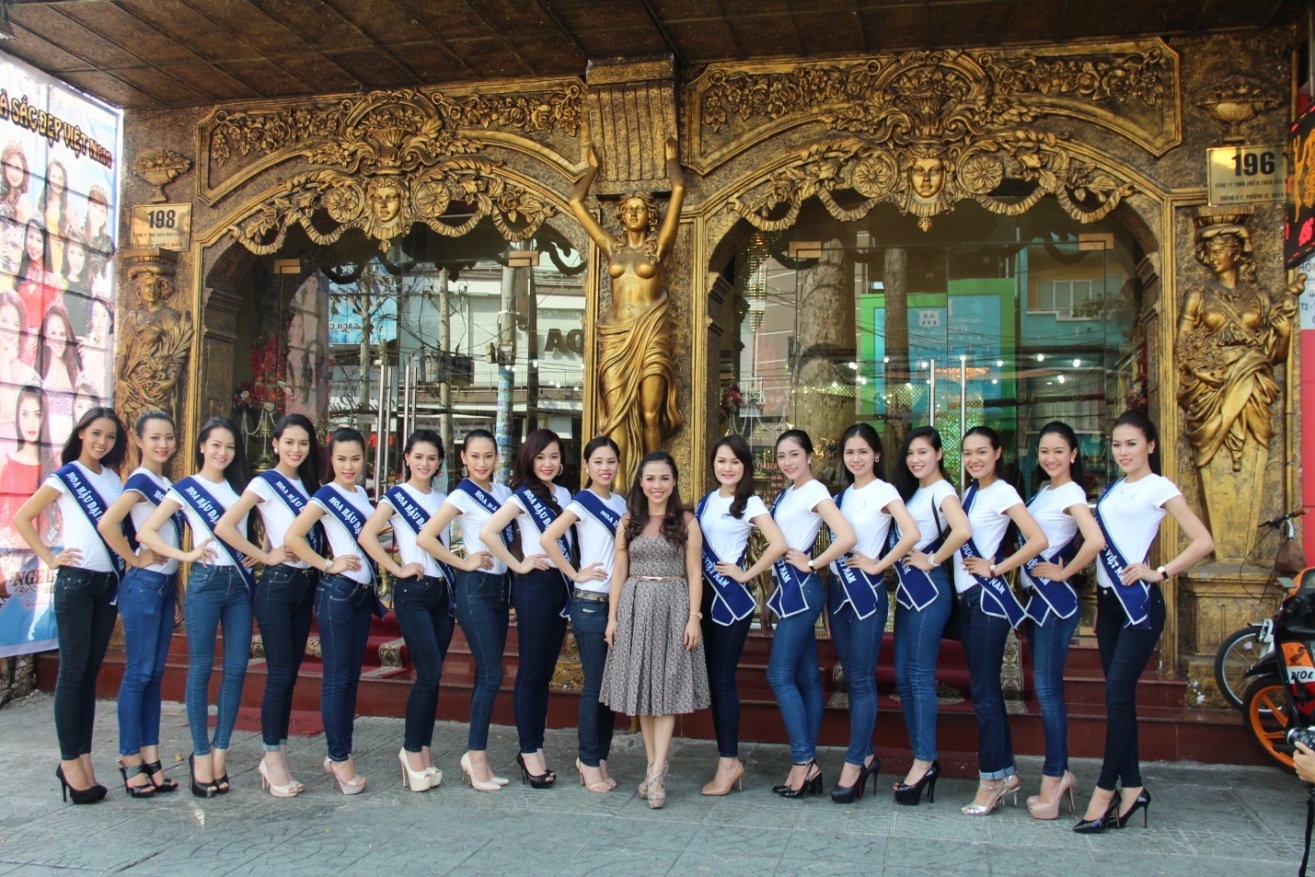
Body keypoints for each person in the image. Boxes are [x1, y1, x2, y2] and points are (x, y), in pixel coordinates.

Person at [1074, 411, 1214, 833]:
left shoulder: (1159, 487)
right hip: (1110, 607)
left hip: (1140, 606)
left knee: (1116, 694)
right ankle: (1133, 788)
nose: (1123, 452)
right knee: (1119, 700)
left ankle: (1104, 791)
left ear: (1150, 445)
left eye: (1131, 444)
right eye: (1117, 444)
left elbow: (1203, 541)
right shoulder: (1113, 488)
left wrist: (1161, 572)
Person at [12, 406, 128, 804]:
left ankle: (84, 759)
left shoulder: (112, 478)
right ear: (81, 433)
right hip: (76, 583)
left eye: (110, 437)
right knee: (73, 672)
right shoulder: (66, 477)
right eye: (96, 434)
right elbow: (24, 517)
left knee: (89, 674)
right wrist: (50, 557)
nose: (102, 442)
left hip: (106, 584)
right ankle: (69, 762)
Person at [136, 416, 254, 799]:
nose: (223, 453)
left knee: (236, 668)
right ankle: (200, 754)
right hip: (205, 581)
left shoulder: (242, 488)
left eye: (230, 447)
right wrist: (184, 555)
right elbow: (146, 531)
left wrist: (260, 553)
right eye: (216, 445)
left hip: (239, 585)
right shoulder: (186, 488)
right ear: (202, 446)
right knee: (201, 668)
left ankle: (221, 752)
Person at [214, 413, 322, 799]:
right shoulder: (264, 482)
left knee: (290, 674)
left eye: (303, 443)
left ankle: (278, 752)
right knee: (278, 675)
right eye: (289, 442)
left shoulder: (309, 485)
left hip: (305, 586)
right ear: (275, 443)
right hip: (277, 587)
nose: (296, 449)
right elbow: (225, 526)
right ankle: (271, 757)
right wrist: (264, 556)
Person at [566, 139, 684, 478]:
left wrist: (672, 160)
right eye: (628, 208)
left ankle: (657, 480)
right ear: (621, 215)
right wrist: (592, 169)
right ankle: (617, 487)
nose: (633, 213)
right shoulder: (612, 247)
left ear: (651, 215)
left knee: (650, 415)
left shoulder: (658, 249)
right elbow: (575, 202)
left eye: (640, 208)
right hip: (616, 338)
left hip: (650, 337)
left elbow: (678, 189)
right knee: (616, 415)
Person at [600, 451, 710, 809]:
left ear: (674, 481)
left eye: (664, 478)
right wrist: (613, 617)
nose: (657, 485)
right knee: (643, 692)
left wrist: (694, 617)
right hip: (634, 607)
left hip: (673, 606)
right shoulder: (628, 521)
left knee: (666, 689)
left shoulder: (687, 522)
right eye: (650, 479)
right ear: (641, 483)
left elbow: (695, 573)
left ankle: (659, 771)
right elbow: (619, 572)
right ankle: (652, 767)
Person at [954, 426, 1048, 816]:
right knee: (986, 690)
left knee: (984, 693)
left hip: (987, 602)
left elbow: (1037, 539)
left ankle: (991, 781)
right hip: (968, 602)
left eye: (982, 452)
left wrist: (996, 568)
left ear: (997, 453)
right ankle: (1006, 774)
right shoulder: (970, 493)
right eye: (967, 453)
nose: (974, 459)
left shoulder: (1004, 492)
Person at [828, 423, 920, 803]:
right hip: (837, 593)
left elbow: (911, 533)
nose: (856, 458)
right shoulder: (841, 496)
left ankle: (854, 763)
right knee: (851, 678)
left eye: (863, 452)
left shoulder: (885, 491)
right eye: (850, 452)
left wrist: (879, 564)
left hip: (866, 594)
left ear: (877, 455)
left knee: (863, 680)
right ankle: (866, 755)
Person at [1019, 421, 1106, 819]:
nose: (1050, 458)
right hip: (1037, 602)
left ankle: (1055, 777)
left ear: (1073, 454)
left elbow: (1095, 540)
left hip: (1053, 604)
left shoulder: (1071, 492)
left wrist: (1065, 571)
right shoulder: (1045, 490)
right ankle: (1059, 773)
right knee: (1046, 689)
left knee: (1048, 690)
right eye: (1044, 451)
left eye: (1058, 451)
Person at [283, 427, 376, 796]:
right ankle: (339, 757)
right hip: (337, 593)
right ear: (330, 460)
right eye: (341, 459)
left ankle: (340, 751)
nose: (348, 466)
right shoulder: (325, 495)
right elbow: (293, 537)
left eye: (355, 459)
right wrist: (326, 564)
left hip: (361, 595)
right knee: (337, 678)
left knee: (351, 678)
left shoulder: (362, 496)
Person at [693, 435, 787, 796]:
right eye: (721, 461)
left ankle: (729, 762)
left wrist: (746, 575)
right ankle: (726, 760)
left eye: (734, 461)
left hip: (730, 603)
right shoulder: (706, 501)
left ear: (745, 466)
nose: (727, 467)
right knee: (714, 682)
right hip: (706, 600)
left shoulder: (750, 503)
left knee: (723, 680)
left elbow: (778, 544)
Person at [359, 429, 452, 793]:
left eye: (432, 458)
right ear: (407, 458)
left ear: (440, 462)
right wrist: (395, 569)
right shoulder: (396, 497)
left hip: (442, 593)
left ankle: (423, 749)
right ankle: (411, 750)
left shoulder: (444, 498)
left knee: (434, 675)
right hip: (413, 592)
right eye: (419, 457)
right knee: (428, 672)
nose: (425, 464)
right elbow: (368, 536)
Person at [416, 429, 509, 791]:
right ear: (463, 459)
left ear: (496, 457)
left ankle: (477, 755)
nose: (482, 463)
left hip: (500, 590)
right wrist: (462, 561)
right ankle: (475, 757)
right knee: (492, 674)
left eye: (488, 456)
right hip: (475, 590)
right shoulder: (461, 495)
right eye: (475, 456)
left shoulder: (503, 494)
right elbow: (426, 537)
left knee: (487, 674)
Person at [479, 428, 571, 788]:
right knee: (531, 672)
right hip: (534, 587)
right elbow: (489, 532)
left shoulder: (564, 494)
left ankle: (535, 745)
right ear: (528, 460)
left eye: (554, 456)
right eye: (540, 457)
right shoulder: (522, 497)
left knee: (545, 671)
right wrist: (518, 565)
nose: (548, 463)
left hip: (559, 586)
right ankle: (529, 750)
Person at [96, 411, 182, 798]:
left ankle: (151, 756)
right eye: (155, 438)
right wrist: (134, 559)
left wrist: (177, 593)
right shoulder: (140, 481)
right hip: (143, 587)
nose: (163, 444)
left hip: (164, 589)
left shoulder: (167, 484)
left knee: (154, 675)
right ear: (139, 441)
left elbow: (172, 542)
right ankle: (130, 758)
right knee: (138, 674)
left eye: (169, 437)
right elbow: (108, 524)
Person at [766, 429, 856, 798]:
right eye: (782, 456)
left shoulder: (815, 490)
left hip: (802, 590)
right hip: (788, 592)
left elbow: (846, 536)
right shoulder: (789, 493)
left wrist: (814, 563)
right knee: (804, 678)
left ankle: (804, 761)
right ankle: (806, 762)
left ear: (809, 456)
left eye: (794, 454)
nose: (787, 462)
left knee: (778, 675)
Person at [539, 436, 626, 793]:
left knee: (610, 686)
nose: (605, 468)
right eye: (598, 462)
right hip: (590, 604)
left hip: (617, 604)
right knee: (595, 684)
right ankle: (588, 759)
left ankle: (600, 756)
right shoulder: (582, 502)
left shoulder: (620, 503)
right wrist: (575, 574)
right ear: (587, 465)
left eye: (611, 461)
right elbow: (549, 538)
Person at [891, 425, 971, 805]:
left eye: (923, 451)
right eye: (910, 453)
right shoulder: (915, 492)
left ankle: (924, 761)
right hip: (908, 592)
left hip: (930, 589)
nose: (916, 459)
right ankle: (922, 756)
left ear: (939, 454)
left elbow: (962, 530)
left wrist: (933, 559)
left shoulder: (942, 491)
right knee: (904, 676)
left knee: (919, 675)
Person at [0, 385, 53, 546]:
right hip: (10, 552)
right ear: (18, 419)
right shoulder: (6, 463)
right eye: (25, 414)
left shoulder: (53, 466)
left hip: (43, 553)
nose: (31, 423)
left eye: (37, 415)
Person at [38, 306, 80, 441]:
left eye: (62, 334)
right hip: (44, 446)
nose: (58, 340)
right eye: (53, 333)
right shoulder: (37, 374)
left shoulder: (77, 374)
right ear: (46, 338)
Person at [0, 292, 38, 428]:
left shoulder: (27, 373)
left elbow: (8, 412)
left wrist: (5, 362)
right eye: (4, 321)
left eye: (16, 324)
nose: (9, 329)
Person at [38, 161, 70, 276]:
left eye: (60, 178)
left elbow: (77, 235)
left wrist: (65, 243)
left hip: (57, 255)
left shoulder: (66, 207)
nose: (57, 181)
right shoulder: (41, 200)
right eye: (54, 176)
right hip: (41, 250)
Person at [0, 142, 30, 223]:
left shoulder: (23, 199)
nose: (14, 173)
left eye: (17, 167)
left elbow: (24, 229)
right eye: (9, 166)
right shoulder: (3, 196)